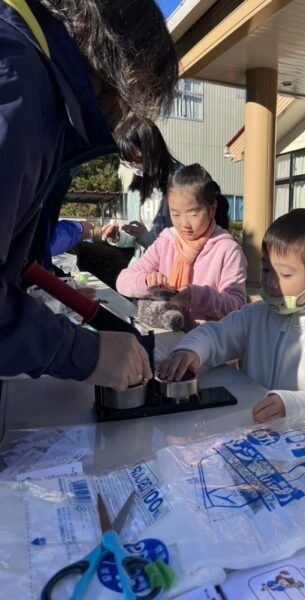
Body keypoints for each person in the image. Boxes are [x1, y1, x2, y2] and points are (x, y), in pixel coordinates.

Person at [0, 0, 178, 391]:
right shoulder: (17, 86)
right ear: (90, 30)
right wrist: (83, 352)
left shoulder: (26, 79)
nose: (122, 105)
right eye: (128, 85)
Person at [158, 208, 305, 422]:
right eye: (266, 270)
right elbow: (217, 335)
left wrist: (292, 405)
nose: (270, 282)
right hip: (253, 429)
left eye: (285, 274)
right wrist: (191, 350)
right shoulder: (255, 315)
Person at [116, 163, 247, 329]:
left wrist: (198, 295)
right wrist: (147, 281)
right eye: (175, 214)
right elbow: (122, 281)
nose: (184, 223)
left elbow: (237, 305)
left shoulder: (228, 250)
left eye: (193, 213)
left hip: (209, 342)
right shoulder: (167, 241)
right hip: (167, 337)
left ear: (212, 209)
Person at [102, 121, 179, 262]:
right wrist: (118, 236)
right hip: (142, 267)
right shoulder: (136, 187)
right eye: (127, 162)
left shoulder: (182, 181)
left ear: (153, 151)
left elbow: (188, 242)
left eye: (136, 159)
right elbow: (135, 239)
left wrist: (148, 240)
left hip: (169, 268)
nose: (133, 167)